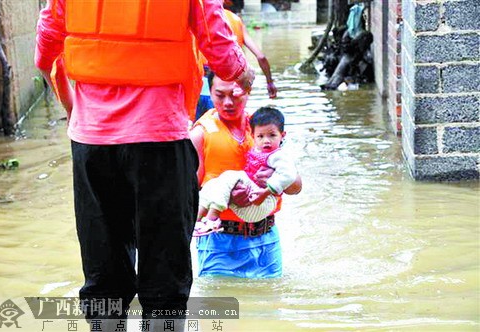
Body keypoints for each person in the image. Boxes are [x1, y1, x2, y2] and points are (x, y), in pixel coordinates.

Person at [35, 0, 254, 330]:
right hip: (161, 141)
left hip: (92, 143)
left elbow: (45, 54)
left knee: (104, 275)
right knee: (165, 277)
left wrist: (74, 112)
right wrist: (244, 72)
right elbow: (219, 49)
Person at [190, 75, 302, 278]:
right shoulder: (200, 134)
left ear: (247, 91)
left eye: (235, 95)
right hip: (218, 243)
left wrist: (273, 178)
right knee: (220, 308)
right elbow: (186, 196)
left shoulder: (265, 130)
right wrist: (227, 197)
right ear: (210, 93)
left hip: (266, 240)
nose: (228, 102)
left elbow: (296, 186)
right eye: (220, 95)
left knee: (269, 307)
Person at [193, 107, 297, 237]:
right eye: (260, 136)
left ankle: (212, 218)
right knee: (213, 184)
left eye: (272, 135)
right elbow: (190, 188)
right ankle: (196, 220)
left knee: (229, 176)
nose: (266, 140)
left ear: (282, 135)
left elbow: (290, 176)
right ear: (253, 136)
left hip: (263, 203)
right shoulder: (201, 132)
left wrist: (265, 192)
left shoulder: (277, 154)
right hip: (248, 208)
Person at [194, 2, 278, 121]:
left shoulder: (199, 16)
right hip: (230, 84)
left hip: (201, 84)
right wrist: (270, 82)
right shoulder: (236, 21)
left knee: (200, 130)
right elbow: (261, 57)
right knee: (229, 129)